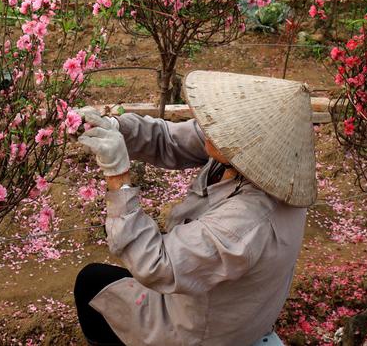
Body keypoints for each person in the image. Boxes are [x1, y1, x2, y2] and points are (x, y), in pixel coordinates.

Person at [73, 71, 317, 346]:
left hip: (202, 331)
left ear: (252, 142)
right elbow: (169, 139)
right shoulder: (254, 156)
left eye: (220, 124)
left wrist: (118, 178)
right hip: (231, 304)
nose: (207, 125)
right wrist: (116, 128)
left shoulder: (248, 221)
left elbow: (157, 265)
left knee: (90, 283)